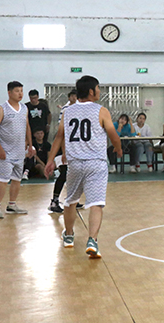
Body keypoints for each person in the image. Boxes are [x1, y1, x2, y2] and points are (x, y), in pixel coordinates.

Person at [45, 75, 122, 259]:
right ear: (91, 91)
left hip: (75, 164)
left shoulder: (67, 111)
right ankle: (92, 241)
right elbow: (113, 135)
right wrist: (118, 149)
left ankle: (69, 236)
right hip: (96, 163)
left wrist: (50, 160)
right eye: (98, 88)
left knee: (70, 201)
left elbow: (59, 136)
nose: (99, 91)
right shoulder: (101, 111)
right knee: (96, 204)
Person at [0, 81, 35, 219]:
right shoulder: (2, 109)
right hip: (6, 151)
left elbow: (27, 126)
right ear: (9, 92)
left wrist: (30, 145)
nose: (20, 94)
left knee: (17, 179)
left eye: (21, 91)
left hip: (20, 151)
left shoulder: (24, 108)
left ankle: (12, 205)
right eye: (17, 91)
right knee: (4, 180)